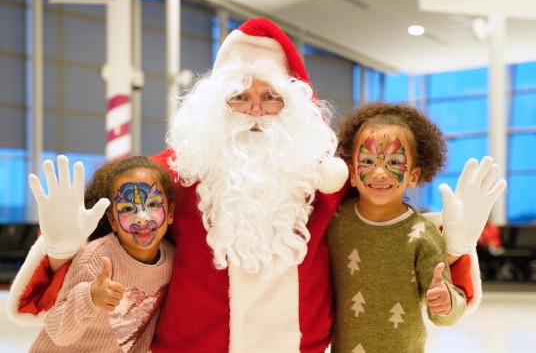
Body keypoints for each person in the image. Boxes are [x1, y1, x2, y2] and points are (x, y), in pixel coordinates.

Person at [7, 18, 506, 353]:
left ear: (294, 108)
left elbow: (393, 225)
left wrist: (457, 242)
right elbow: (98, 255)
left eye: (272, 98)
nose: (255, 110)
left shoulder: (328, 179)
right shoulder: (165, 177)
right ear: (211, 106)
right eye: (239, 97)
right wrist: (59, 247)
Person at [328, 102, 466, 352]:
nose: (379, 172)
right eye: (368, 160)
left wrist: (445, 302)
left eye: (394, 162)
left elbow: (446, 314)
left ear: (413, 176)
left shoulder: (423, 235)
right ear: (352, 172)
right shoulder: (335, 220)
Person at [25, 156, 176, 352]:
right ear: (112, 221)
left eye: (154, 205)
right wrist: (89, 297)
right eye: (128, 208)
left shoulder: (173, 258)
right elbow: (57, 331)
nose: (142, 218)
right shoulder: (98, 256)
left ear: (170, 213)